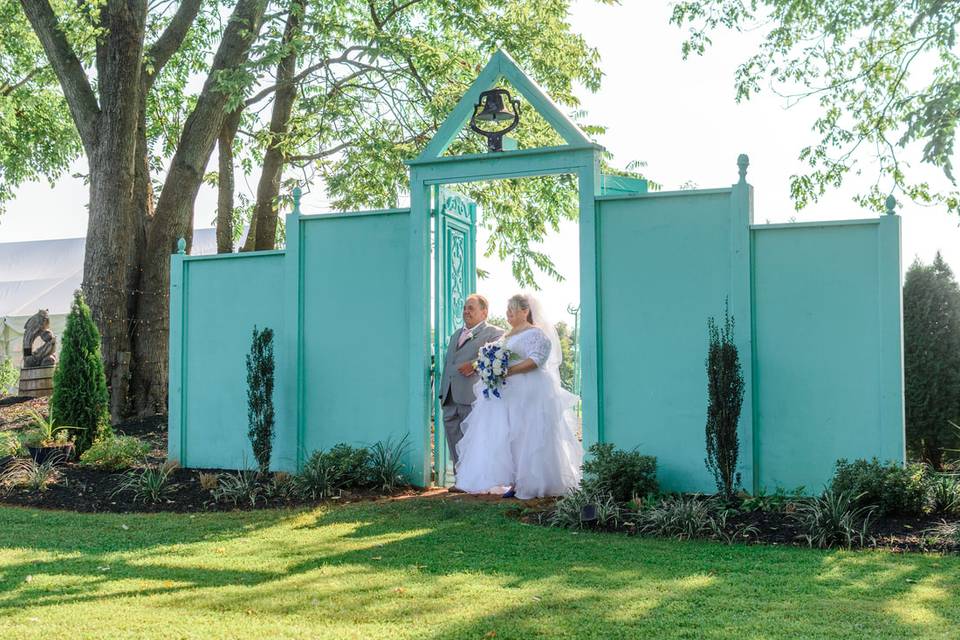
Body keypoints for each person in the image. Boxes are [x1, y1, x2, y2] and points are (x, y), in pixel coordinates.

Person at [455, 293, 583, 499]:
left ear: (525, 311)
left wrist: (508, 371)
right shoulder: (507, 335)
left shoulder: (537, 334)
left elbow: (536, 360)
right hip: (507, 393)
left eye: (512, 311)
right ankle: (514, 482)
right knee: (510, 437)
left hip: (529, 393)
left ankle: (535, 482)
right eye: (507, 311)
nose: (508, 314)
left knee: (528, 435)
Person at [437, 294, 504, 484]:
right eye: (465, 308)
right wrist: (443, 391)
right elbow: (450, 362)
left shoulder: (494, 333)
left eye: (471, 308)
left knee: (472, 440)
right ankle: (461, 480)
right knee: (454, 440)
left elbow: (499, 356)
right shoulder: (455, 335)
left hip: (471, 395)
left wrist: (474, 364)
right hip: (449, 395)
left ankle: (475, 481)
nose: (466, 311)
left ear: (484, 312)